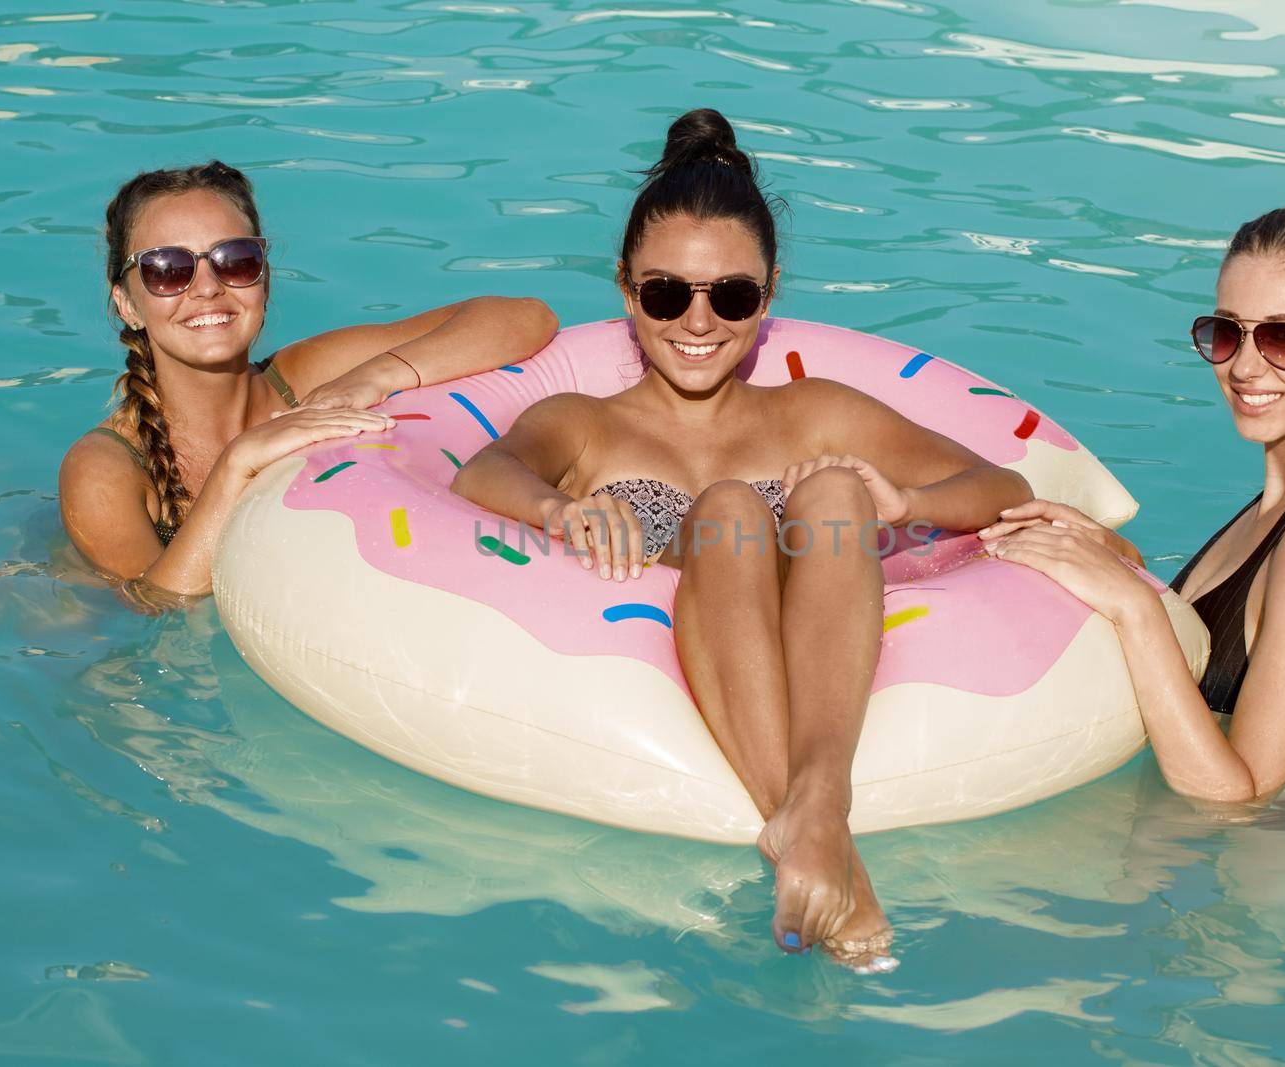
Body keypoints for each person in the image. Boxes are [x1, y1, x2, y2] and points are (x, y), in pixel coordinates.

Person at [451, 109, 1032, 970]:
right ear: (624, 290)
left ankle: (816, 806)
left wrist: (899, 494)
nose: (697, 322)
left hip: (819, 631)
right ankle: (807, 824)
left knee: (834, 483)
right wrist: (559, 509)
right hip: (705, 634)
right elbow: (480, 474)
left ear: (769, 293)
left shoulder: (814, 411)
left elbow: (1003, 486)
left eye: (731, 294)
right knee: (727, 511)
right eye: (663, 293)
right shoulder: (584, 426)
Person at [979, 203, 1285, 802]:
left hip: (1276, 854)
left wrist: (1135, 606)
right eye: (1229, 331)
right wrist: (1112, 557)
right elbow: (1231, 629)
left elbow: (1239, 793)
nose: (1245, 366)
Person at [59, 161, 557, 610]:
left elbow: (525, 317)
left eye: (235, 260)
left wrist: (375, 375)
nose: (207, 287)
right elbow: (157, 606)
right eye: (167, 270)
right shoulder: (106, 469)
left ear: (265, 278)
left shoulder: (305, 380)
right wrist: (239, 463)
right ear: (126, 301)